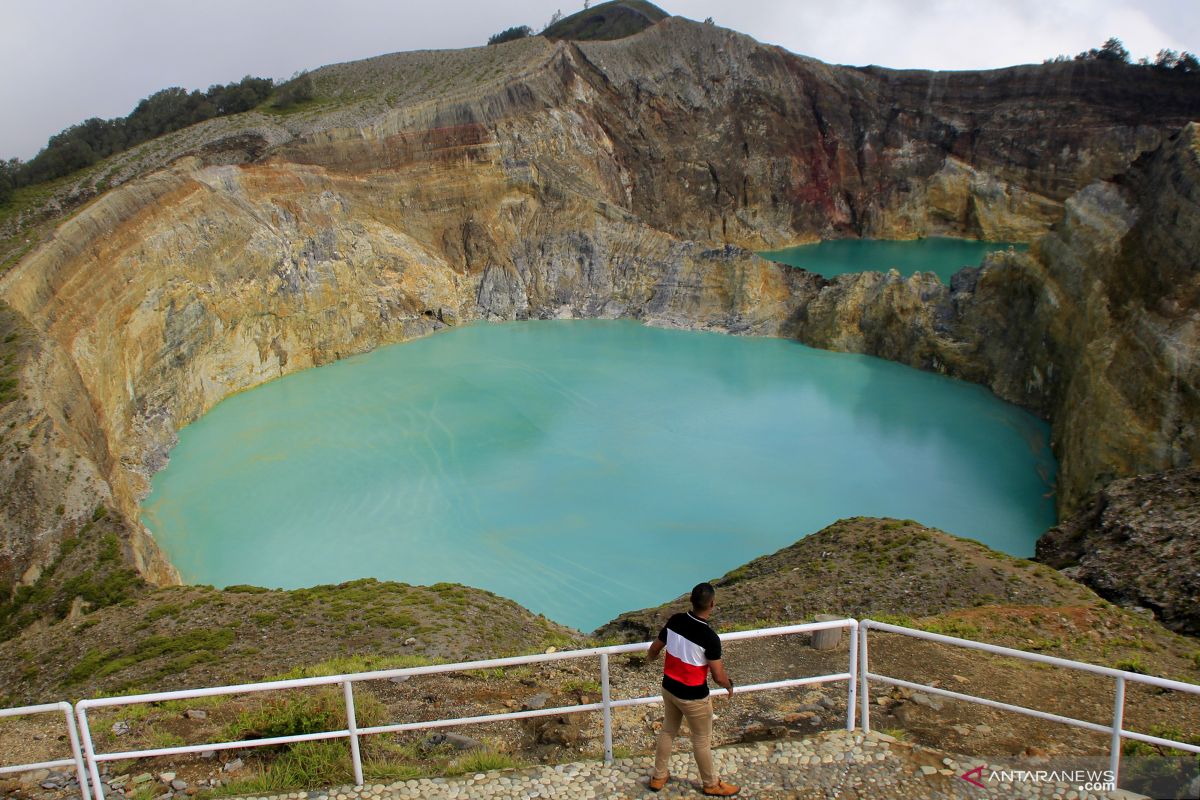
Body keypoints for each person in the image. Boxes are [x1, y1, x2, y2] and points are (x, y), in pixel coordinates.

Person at [646, 582, 739, 796]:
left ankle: (658, 777)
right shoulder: (710, 638)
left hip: (669, 688)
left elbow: (655, 648)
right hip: (694, 696)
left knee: (668, 730)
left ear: (691, 601)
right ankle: (711, 783)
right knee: (701, 740)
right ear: (712, 604)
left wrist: (648, 660)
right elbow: (717, 675)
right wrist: (728, 685)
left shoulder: (675, 621)